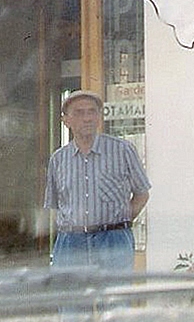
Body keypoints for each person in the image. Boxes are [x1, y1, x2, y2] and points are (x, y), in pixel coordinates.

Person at [45, 89, 150, 271]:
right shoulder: (58, 159)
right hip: (71, 244)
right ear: (66, 121)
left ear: (100, 117)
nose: (87, 118)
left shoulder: (123, 151)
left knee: (114, 298)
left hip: (113, 241)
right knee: (73, 299)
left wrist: (119, 223)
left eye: (92, 112)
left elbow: (142, 194)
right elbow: (54, 206)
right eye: (79, 113)